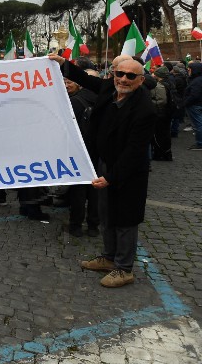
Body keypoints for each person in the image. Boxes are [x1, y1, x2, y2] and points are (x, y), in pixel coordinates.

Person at [51, 53, 156, 288]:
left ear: (140, 79)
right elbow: (88, 81)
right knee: (106, 213)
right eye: (120, 74)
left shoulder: (144, 109)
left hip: (128, 172)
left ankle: (124, 268)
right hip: (105, 162)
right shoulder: (110, 88)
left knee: (126, 219)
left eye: (130, 76)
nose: (124, 79)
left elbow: (134, 151)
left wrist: (111, 177)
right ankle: (109, 258)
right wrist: (63, 64)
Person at [64, 76, 99, 237]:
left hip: (79, 150)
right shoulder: (105, 99)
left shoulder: (74, 102)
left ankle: (75, 225)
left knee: (78, 190)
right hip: (98, 151)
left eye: (69, 82)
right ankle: (93, 225)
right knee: (95, 190)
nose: (66, 85)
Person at [150, 66, 176, 160]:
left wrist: (150, 103)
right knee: (165, 134)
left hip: (161, 113)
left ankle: (161, 154)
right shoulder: (169, 83)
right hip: (167, 113)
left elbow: (161, 101)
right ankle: (165, 153)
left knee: (159, 135)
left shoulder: (160, 85)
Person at [185, 62, 202, 151]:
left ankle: (200, 143)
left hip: (195, 105)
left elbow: (194, 95)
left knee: (198, 124)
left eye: (189, 69)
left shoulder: (197, 81)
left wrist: (185, 102)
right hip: (197, 104)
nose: (188, 70)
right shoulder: (197, 79)